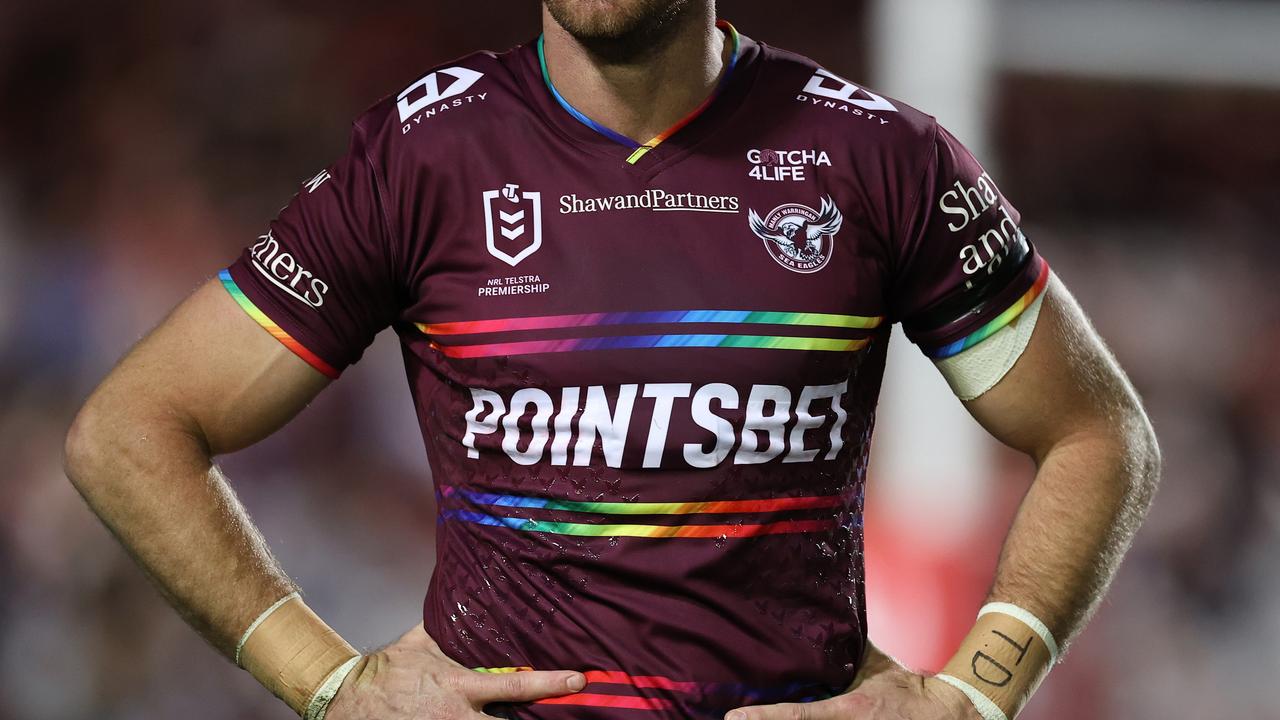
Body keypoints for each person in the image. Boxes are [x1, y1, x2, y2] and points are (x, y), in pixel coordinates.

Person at [63, 1, 1161, 719]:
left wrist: (970, 696)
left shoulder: (875, 158)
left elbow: (1096, 432)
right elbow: (131, 430)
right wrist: (329, 684)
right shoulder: (425, 154)